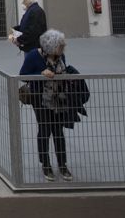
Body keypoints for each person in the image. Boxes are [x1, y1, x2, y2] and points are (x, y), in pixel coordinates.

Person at [19, 29, 86, 182]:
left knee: (58, 132)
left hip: (59, 99)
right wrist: (41, 74)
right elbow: (23, 75)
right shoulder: (33, 56)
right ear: (50, 46)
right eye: (60, 45)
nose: (63, 48)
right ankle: (46, 165)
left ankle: (62, 165)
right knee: (44, 131)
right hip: (41, 100)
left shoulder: (60, 56)